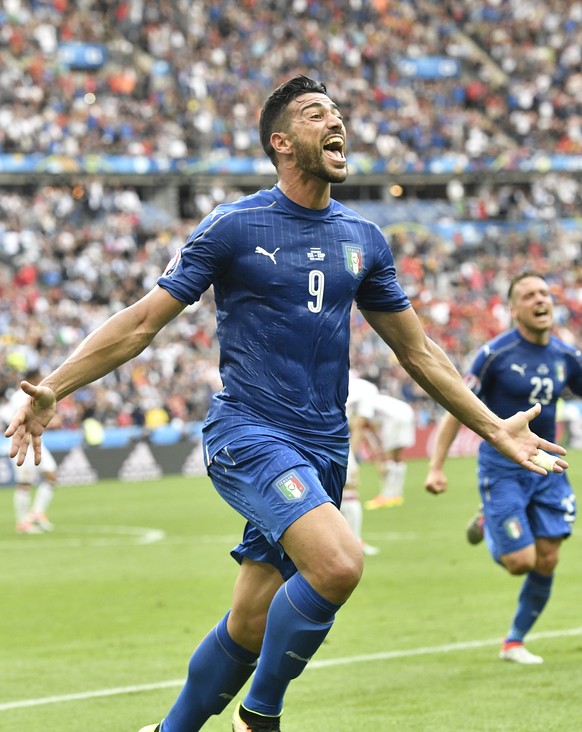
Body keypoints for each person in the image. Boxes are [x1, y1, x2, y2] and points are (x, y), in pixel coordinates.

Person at [6, 78, 568, 732]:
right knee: (339, 562)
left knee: (248, 621)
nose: (337, 123)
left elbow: (418, 353)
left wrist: (494, 426)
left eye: (337, 114)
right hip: (248, 435)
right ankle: (260, 719)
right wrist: (56, 385)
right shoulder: (236, 226)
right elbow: (141, 324)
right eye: (315, 115)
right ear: (281, 142)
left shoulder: (363, 237)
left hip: (324, 450)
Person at [425, 272, 580, 665]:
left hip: (547, 464)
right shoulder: (494, 354)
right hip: (503, 464)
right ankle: (488, 522)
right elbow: (454, 407)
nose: (540, 299)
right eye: (529, 295)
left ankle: (514, 642)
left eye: (545, 293)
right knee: (520, 562)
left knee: (548, 558)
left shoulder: (566, 356)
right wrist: (436, 466)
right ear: (513, 309)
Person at [0, 368, 58, 534]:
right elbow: (24, 418)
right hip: (22, 441)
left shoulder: (39, 394)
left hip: (37, 442)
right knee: (24, 484)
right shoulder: (19, 397)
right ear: (33, 378)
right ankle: (22, 522)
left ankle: (37, 514)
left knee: (52, 476)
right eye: (40, 376)